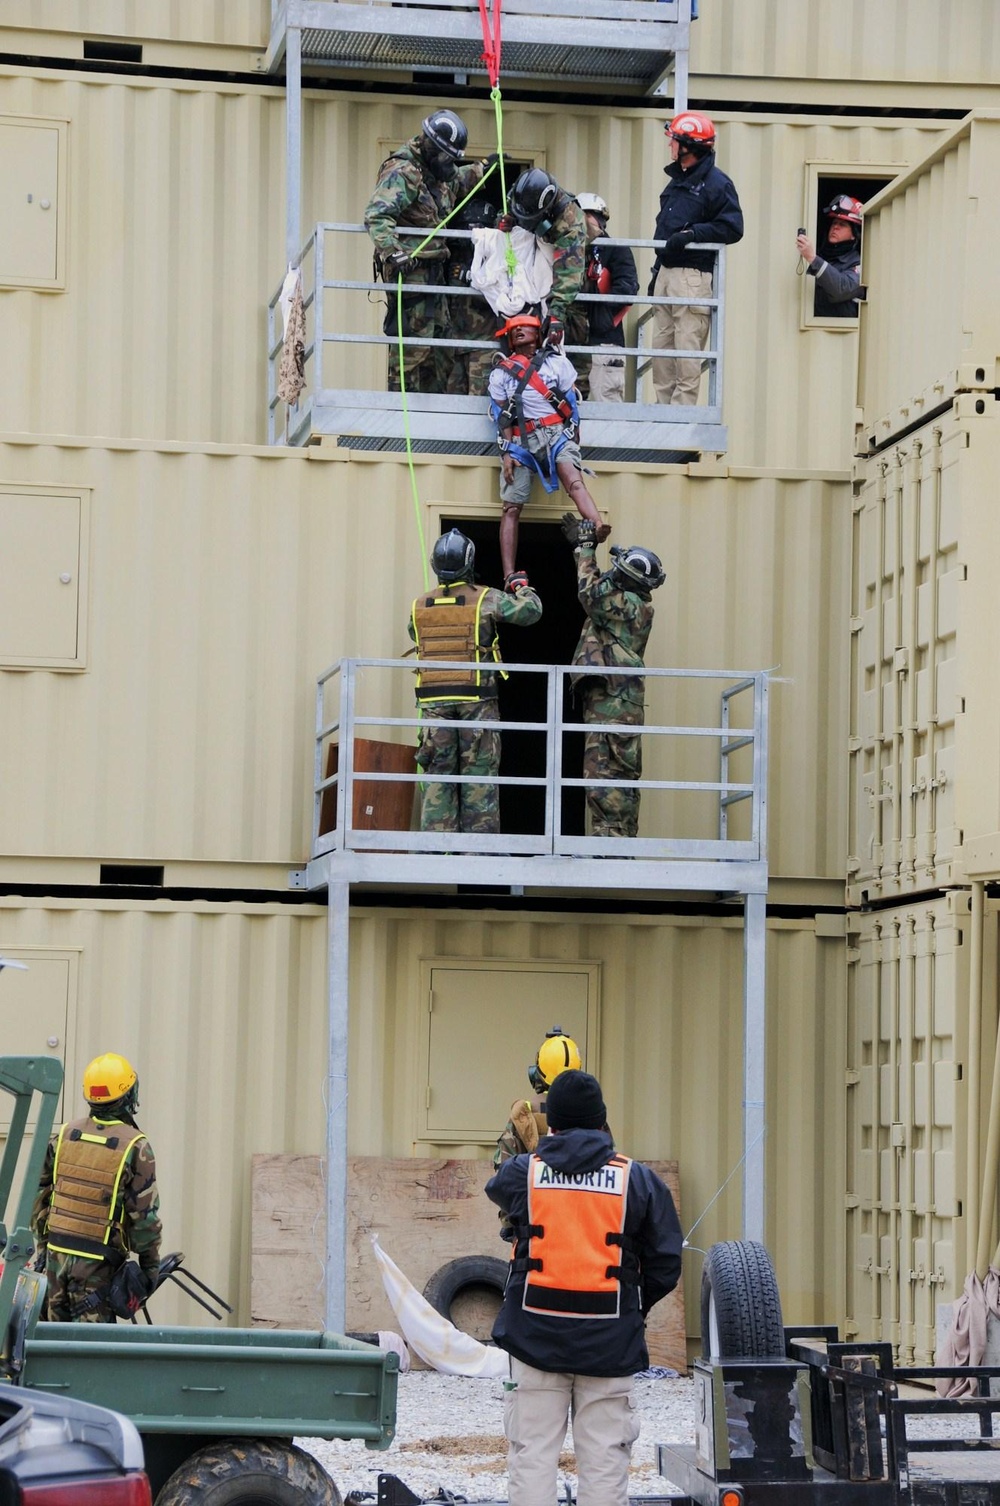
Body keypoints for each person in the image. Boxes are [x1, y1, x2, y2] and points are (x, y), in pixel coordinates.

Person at [485, 1068, 683, 1506]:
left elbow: (495, 1187)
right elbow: (666, 1261)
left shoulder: (524, 1173)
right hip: (609, 1344)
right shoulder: (638, 1180)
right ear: (602, 1122)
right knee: (605, 1466)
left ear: (550, 1123)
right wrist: (633, 1305)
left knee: (532, 1457)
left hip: (534, 1339)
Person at [409, 528, 541, 833]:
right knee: (479, 774)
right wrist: (521, 587)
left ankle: (437, 849)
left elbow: (413, 634)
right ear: (469, 563)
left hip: (434, 704)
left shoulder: (419, 605)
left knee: (438, 775)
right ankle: (479, 850)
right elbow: (531, 612)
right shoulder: (486, 598)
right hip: (477, 702)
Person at [31, 1052, 162, 1322]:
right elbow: (144, 1223)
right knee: (88, 1356)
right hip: (97, 1273)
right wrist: (150, 1271)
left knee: (51, 1352)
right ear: (128, 1095)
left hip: (55, 1263)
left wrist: (44, 1250)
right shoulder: (136, 1147)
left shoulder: (64, 1136)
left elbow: (40, 1199)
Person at [365, 109, 484, 393]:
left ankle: (434, 408)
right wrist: (393, 251)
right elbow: (376, 216)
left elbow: (455, 181)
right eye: (445, 156)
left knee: (440, 347)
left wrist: (482, 168)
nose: (449, 163)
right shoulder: (404, 172)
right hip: (412, 277)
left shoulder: (434, 171)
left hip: (434, 277)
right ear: (430, 146)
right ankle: (404, 406)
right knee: (413, 350)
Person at [489, 312, 610, 592]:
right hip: (521, 441)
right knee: (510, 506)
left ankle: (598, 524)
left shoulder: (557, 364)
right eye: (514, 329)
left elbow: (570, 403)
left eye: (525, 327)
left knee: (574, 478)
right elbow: (501, 416)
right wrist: (507, 452)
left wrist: (575, 435)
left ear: (538, 334)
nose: (518, 331)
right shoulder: (501, 373)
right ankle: (509, 575)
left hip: (556, 433)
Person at [561, 514, 665, 839]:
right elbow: (596, 587)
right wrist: (582, 550)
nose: (614, 574)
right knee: (610, 779)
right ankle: (614, 848)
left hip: (614, 711)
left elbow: (590, 594)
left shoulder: (631, 606)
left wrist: (588, 547)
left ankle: (610, 850)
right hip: (613, 707)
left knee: (605, 781)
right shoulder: (626, 603)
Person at [649, 111, 744, 405]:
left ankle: (681, 414)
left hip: (691, 279)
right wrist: (656, 274)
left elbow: (733, 227)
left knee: (686, 350)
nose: (670, 146)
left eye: (674, 141)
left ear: (689, 146)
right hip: (666, 273)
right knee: (661, 350)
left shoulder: (717, 184)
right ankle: (663, 413)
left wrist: (692, 234)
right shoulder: (678, 180)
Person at [492, 1027, 582, 1241]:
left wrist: (509, 1225)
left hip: (532, 1233)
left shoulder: (523, 1114)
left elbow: (503, 1176)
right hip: (581, 1230)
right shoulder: (592, 1116)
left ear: (538, 1071)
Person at [566, 193, 639, 402]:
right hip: (570, 345)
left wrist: (600, 315)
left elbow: (628, 289)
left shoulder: (615, 249)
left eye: (581, 215)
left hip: (603, 345)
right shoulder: (567, 248)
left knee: (606, 413)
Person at [503, 169, 586, 348]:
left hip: (561, 273)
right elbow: (511, 212)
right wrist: (509, 221)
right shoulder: (522, 194)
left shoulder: (570, 222)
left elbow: (570, 273)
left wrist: (556, 314)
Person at [446, 197, 500, 397]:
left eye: (478, 228)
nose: (472, 234)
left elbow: (500, 298)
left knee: (480, 403)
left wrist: (469, 277)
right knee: (452, 403)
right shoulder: (455, 253)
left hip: (484, 344)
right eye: (467, 228)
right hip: (455, 344)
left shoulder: (495, 255)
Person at [797, 194, 863, 318]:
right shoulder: (822, 257)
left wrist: (813, 258)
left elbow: (841, 289)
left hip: (841, 335)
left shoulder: (859, 264)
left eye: (842, 224)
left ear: (854, 234)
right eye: (834, 223)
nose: (835, 227)